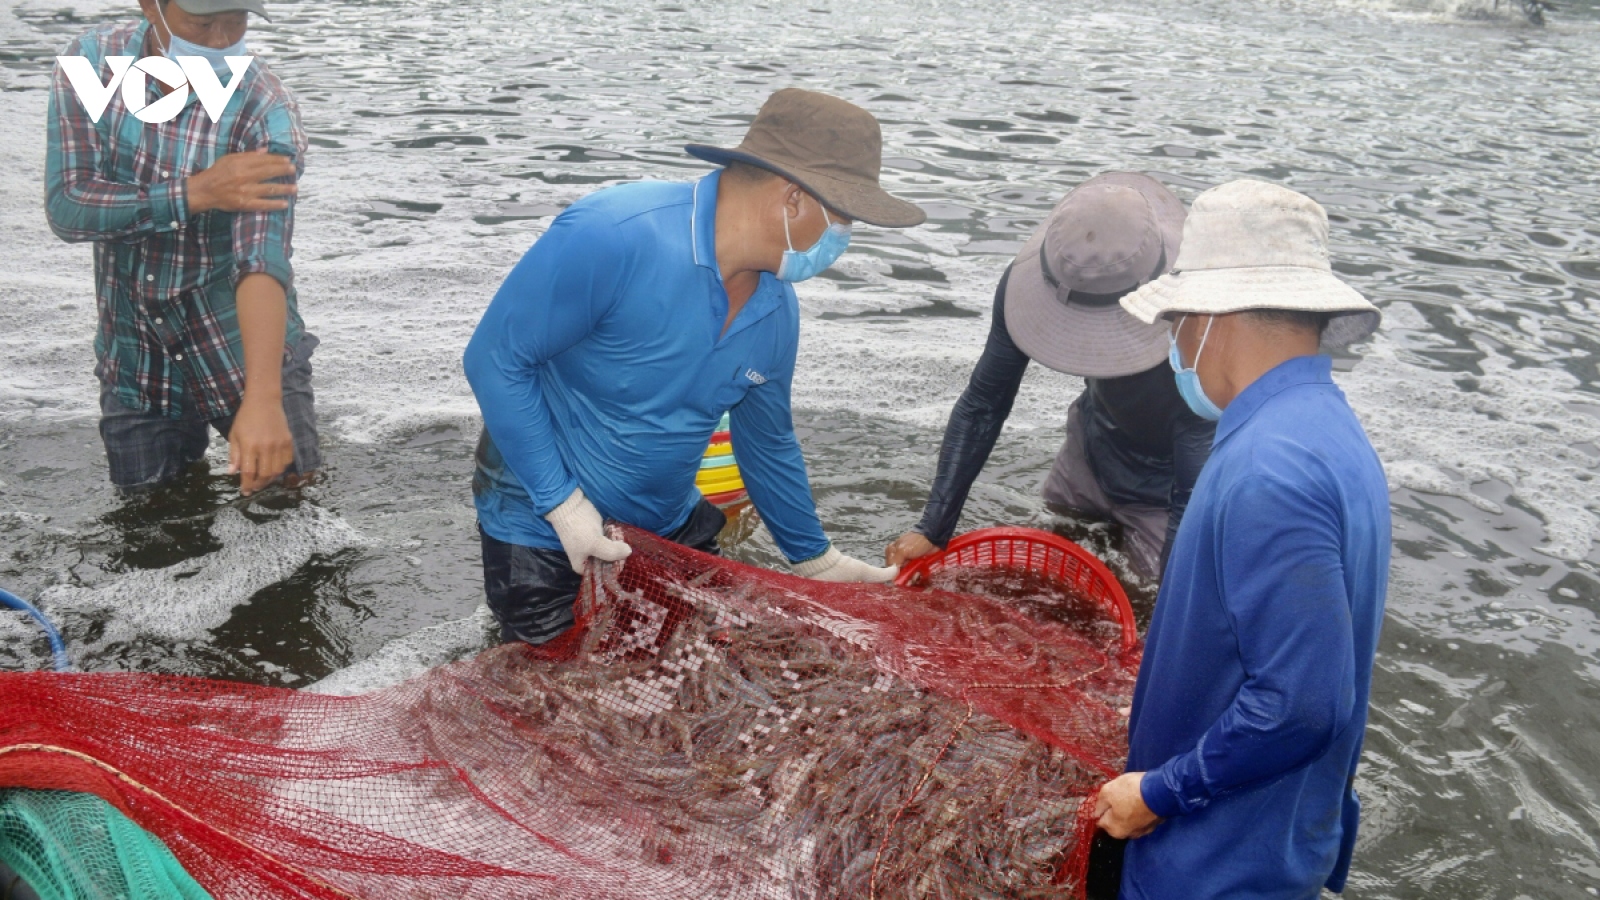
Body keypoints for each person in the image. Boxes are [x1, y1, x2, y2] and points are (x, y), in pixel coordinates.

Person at [464, 89, 923, 646]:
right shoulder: (614, 235)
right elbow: (496, 360)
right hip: (537, 523)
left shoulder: (776, 310)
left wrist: (815, 559)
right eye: (845, 219)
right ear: (794, 201)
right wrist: (562, 504)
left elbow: (768, 443)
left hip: (669, 523)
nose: (843, 241)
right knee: (552, 703)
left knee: (699, 678)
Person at [1092, 180, 1390, 899]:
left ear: (1211, 318)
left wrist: (1161, 791)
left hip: (1217, 864)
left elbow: (1301, 703)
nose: (1172, 344)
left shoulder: (1269, 471)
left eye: (1174, 323)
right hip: (1281, 835)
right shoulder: (1327, 431)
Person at [884, 173, 1214, 581]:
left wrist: (1173, 608)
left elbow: (1194, 484)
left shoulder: (1201, 321)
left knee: (1156, 595)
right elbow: (984, 403)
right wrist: (934, 526)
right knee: (1051, 577)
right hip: (1090, 449)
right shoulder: (1040, 275)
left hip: (1168, 485)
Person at [46, 0, 316, 496]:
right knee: (148, 532)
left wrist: (262, 399)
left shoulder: (265, 109)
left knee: (291, 517)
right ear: (152, 6)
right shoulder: (93, 65)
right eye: (202, 21)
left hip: (239, 348)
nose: (218, 39)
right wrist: (197, 193)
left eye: (235, 20)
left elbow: (260, 259)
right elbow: (68, 206)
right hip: (135, 355)